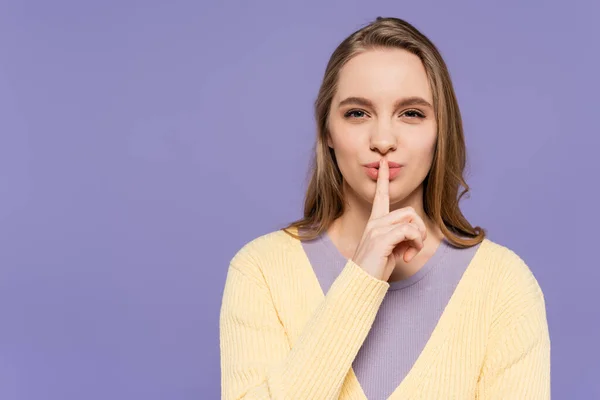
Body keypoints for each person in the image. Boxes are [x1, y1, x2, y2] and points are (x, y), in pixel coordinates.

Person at [219, 16, 550, 400]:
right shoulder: (260, 271)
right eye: (357, 113)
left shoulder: (502, 284)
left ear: (441, 131)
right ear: (327, 130)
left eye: (411, 113)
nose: (382, 140)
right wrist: (360, 280)